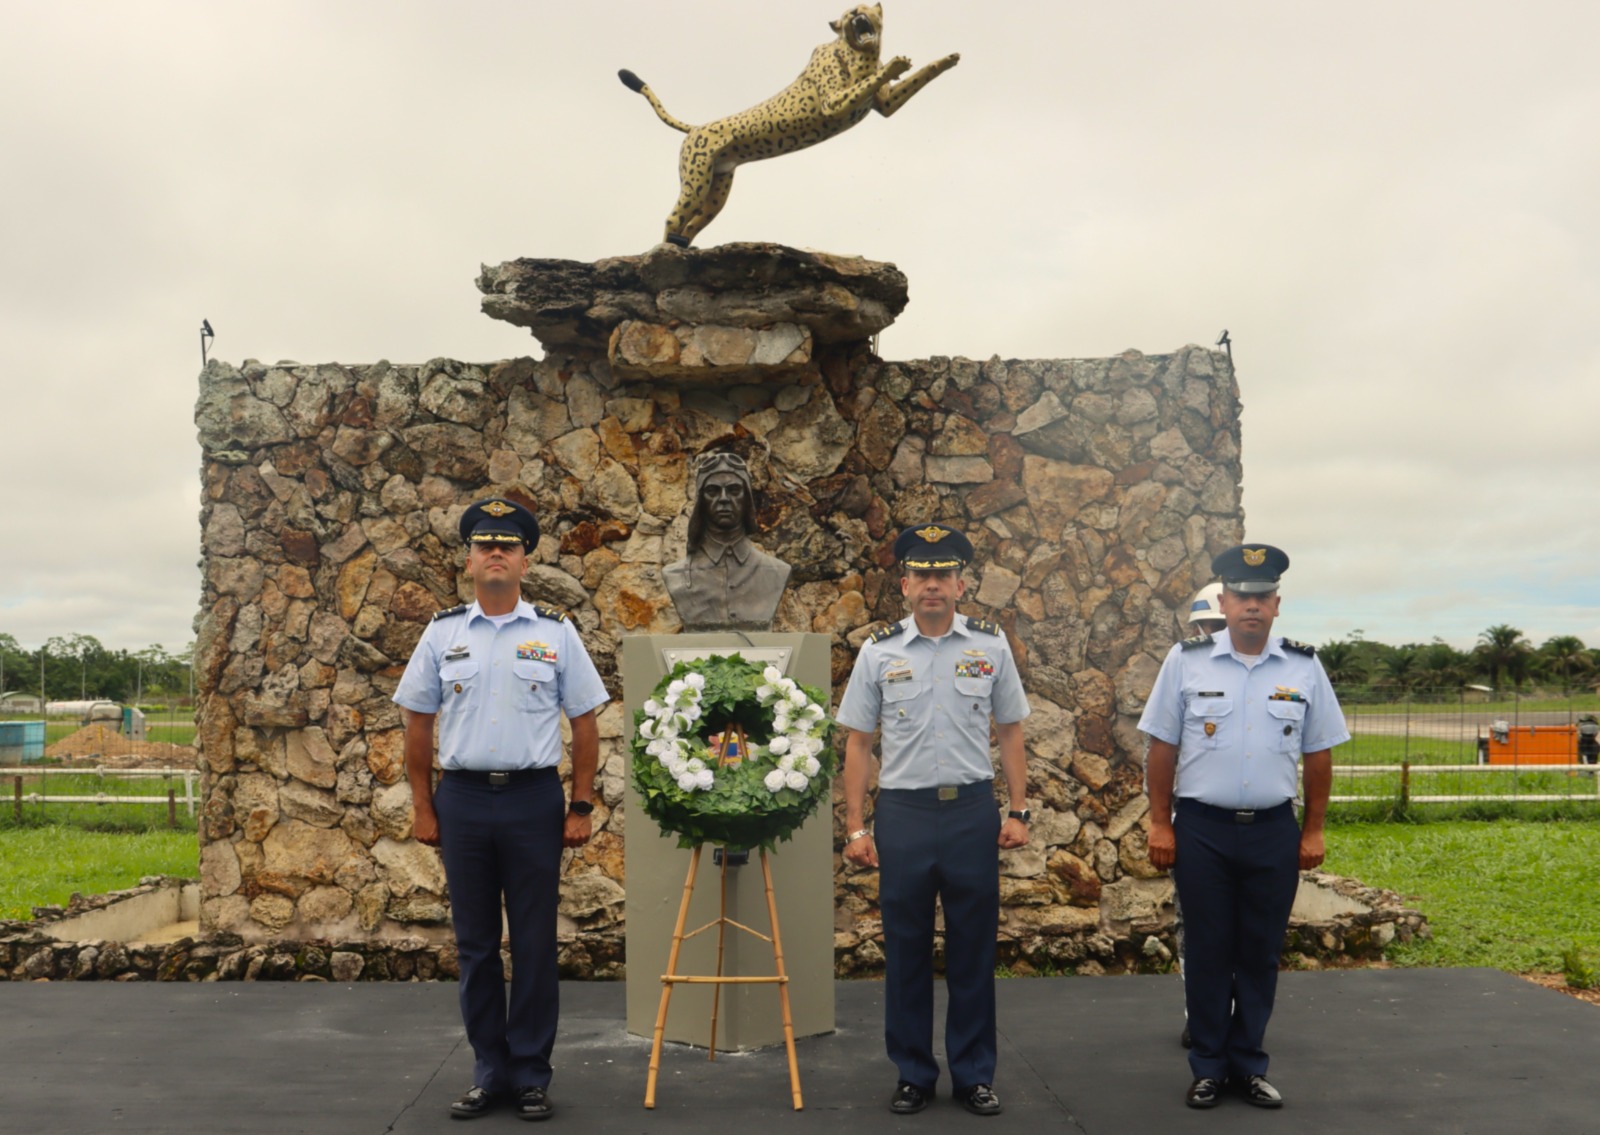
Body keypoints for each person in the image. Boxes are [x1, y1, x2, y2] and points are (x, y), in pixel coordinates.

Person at [394, 498, 610, 1122]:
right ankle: (489, 1072)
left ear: (524, 559)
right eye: (485, 544)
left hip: (533, 800)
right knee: (477, 946)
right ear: (468, 559)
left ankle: (531, 1074)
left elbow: (585, 720)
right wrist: (423, 803)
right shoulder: (442, 633)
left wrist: (581, 803)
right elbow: (418, 722)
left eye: (507, 545)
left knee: (537, 943)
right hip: (461, 800)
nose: (496, 553)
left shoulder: (554, 631)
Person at [1139, 544, 1349, 1110]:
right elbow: (1162, 747)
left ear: (1276, 605)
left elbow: (1319, 754)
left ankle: (1249, 1064)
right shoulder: (1186, 662)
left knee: (1259, 950)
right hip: (1202, 829)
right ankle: (1208, 1066)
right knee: (1208, 950)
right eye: (1242, 597)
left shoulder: (1304, 667)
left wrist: (1314, 830)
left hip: (1273, 831)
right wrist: (1161, 823)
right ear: (1225, 601)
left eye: (1262, 597)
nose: (1251, 606)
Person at [836, 523, 1031, 1117]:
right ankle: (913, 1073)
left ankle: (974, 1073)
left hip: (972, 811)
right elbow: (858, 744)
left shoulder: (991, 646)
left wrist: (1018, 810)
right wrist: (856, 827)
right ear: (905, 584)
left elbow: (1011, 731)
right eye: (922, 576)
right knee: (906, 950)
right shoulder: (879, 651)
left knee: (973, 949)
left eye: (943, 575)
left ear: (961, 584)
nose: (932, 586)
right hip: (905, 813)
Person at [1175, 580, 1226, 1050]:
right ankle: (1199, 1015)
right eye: (1204, 625)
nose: (1211, 633)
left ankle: (1235, 1017)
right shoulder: (1185, 666)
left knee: (1245, 928)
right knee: (1193, 925)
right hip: (1197, 819)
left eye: (1217, 625)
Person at [662, 451, 792, 630]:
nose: (723, 499)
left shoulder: (776, 572)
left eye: (734, 490)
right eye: (712, 491)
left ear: (746, 499)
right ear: (701, 501)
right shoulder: (675, 575)